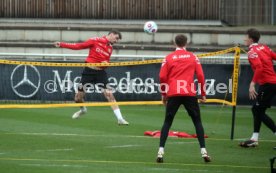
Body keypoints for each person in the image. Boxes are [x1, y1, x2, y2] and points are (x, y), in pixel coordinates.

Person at [54, 30, 129, 125]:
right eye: (116, 38)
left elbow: (106, 64)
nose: (117, 41)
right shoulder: (95, 40)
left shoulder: (110, 48)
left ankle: (120, 119)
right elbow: (78, 46)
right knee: (78, 98)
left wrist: (105, 64)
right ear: (111, 34)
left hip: (100, 73)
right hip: (88, 72)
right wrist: (62, 44)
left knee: (109, 95)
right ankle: (83, 110)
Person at [156, 34, 211, 163]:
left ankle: (160, 152)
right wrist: (203, 93)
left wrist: (164, 94)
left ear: (174, 43)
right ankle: (203, 151)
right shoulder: (193, 57)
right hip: (189, 93)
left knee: (167, 122)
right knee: (197, 122)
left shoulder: (168, 57)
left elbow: (162, 77)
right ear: (187, 43)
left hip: (174, 93)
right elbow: (201, 75)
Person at [239, 28, 276, 147]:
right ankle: (254, 138)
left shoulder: (251, 51)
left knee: (257, 110)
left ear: (250, 39)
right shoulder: (264, 47)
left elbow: (259, 67)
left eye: (246, 37)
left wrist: (252, 84)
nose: (245, 39)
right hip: (271, 83)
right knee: (258, 110)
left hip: (267, 84)